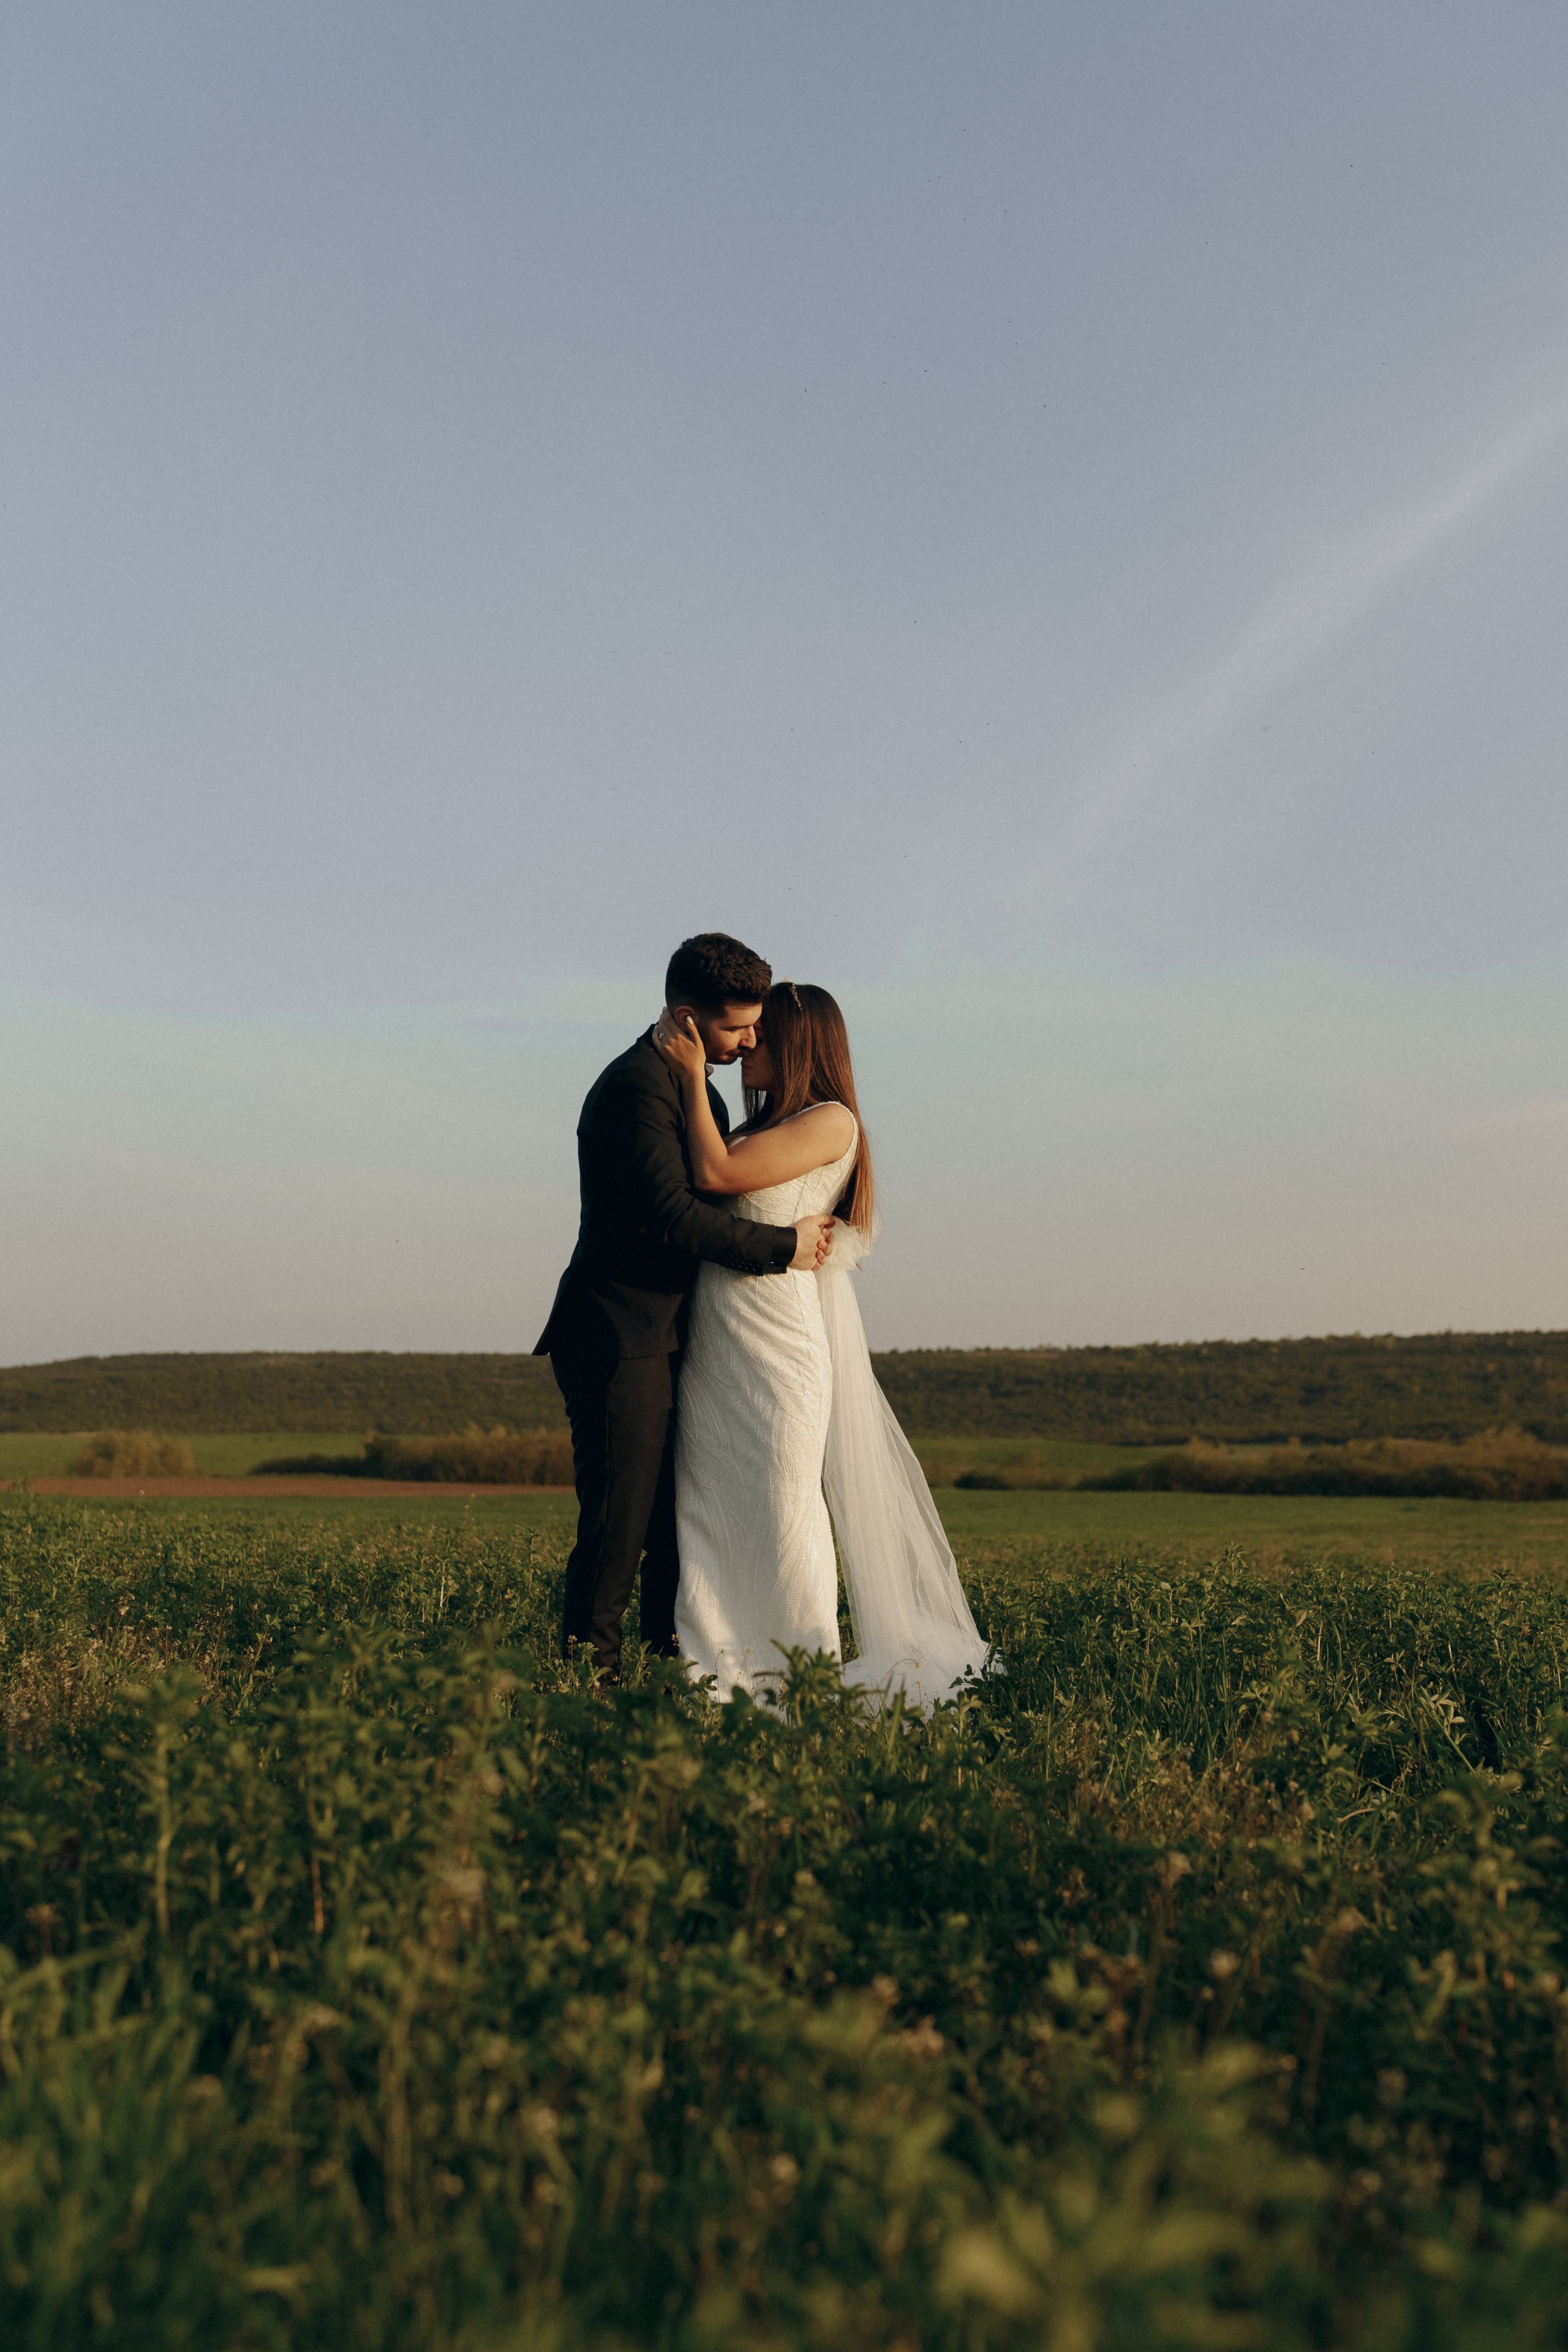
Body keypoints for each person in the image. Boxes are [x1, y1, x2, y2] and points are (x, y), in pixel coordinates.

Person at [654, 979, 990, 1709]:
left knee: (783, 1509)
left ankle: (796, 1677)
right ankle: (713, 1674)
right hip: (717, 1351)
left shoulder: (832, 1122)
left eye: (762, 1035)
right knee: (711, 1509)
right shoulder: (757, 1123)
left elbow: (713, 1176)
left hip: (777, 1348)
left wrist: (687, 1074)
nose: (746, 1045)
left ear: (800, 1044)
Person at [535, 934, 836, 1682]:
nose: (751, 1039)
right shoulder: (639, 1084)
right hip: (617, 1333)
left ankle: (669, 1674)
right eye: (737, 1027)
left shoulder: (694, 1085)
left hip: (670, 1337)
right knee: (617, 1528)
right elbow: (672, 1214)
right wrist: (781, 1248)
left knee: (674, 1530)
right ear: (687, 1018)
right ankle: (588, 1689)